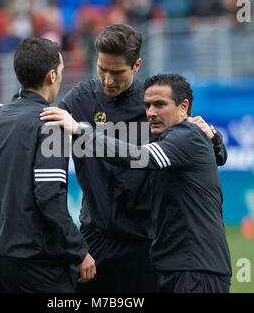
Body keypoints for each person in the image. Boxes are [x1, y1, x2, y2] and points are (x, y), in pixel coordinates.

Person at [0, 24, 227, 293]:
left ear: (136, 66)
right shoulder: (81, 99)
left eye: (117, 72)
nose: (108, 80)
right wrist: (7, 111)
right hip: (94, 239)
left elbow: (205, 150)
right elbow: (37, 116)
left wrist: (214, 137)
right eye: (102, 69)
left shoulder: (153, 103)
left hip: (143, 241)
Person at [41, 73, 232, 293]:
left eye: (160, 104)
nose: (151, 113)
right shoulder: (177, 137)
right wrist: (216, 136)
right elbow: (219, 155)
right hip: (178, 266)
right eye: (147, 105)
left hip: (197, 268)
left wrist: (79, 130)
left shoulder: (186, 136)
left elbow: (138, 156)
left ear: (183, 107)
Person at [0, 37, 96, 293]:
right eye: (61, 71)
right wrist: (79, 251)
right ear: (51, 75)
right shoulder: (52, 125)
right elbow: (49, 197)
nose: (61, 77)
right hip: (38, 266)